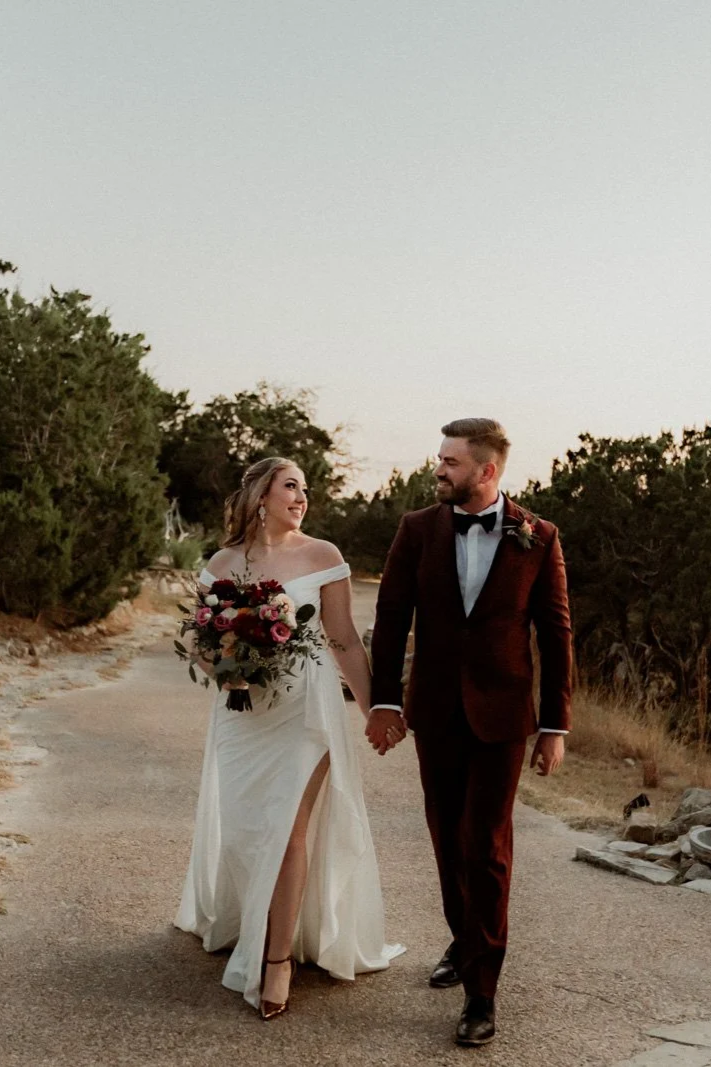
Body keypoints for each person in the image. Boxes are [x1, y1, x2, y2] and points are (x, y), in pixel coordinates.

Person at [366, 418, 572, 1048]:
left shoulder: (539, 536)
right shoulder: (417, 530)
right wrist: (384, 702)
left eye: (451, 462)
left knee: (485, 845)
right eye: (439, 459)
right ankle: (464, 937)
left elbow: (556, 632)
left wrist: (553, 725)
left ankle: (482, 992)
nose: (439, 470)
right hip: (436, 710)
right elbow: (393, 617)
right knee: (447, 840)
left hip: (504, 716)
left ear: (487, 471)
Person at [175, 457, 404, 1019]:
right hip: (242, 712)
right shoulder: (222, 563)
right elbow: (198, 639)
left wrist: (378, 707)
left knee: (290, 830)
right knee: (246, 830)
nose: (302, 497)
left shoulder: (323, 555)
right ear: (259, 496)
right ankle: (251, 919)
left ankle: (276, 961)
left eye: (306, 488)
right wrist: (224, 665)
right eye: (291, 486)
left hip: (306, 710)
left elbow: (345, 639)